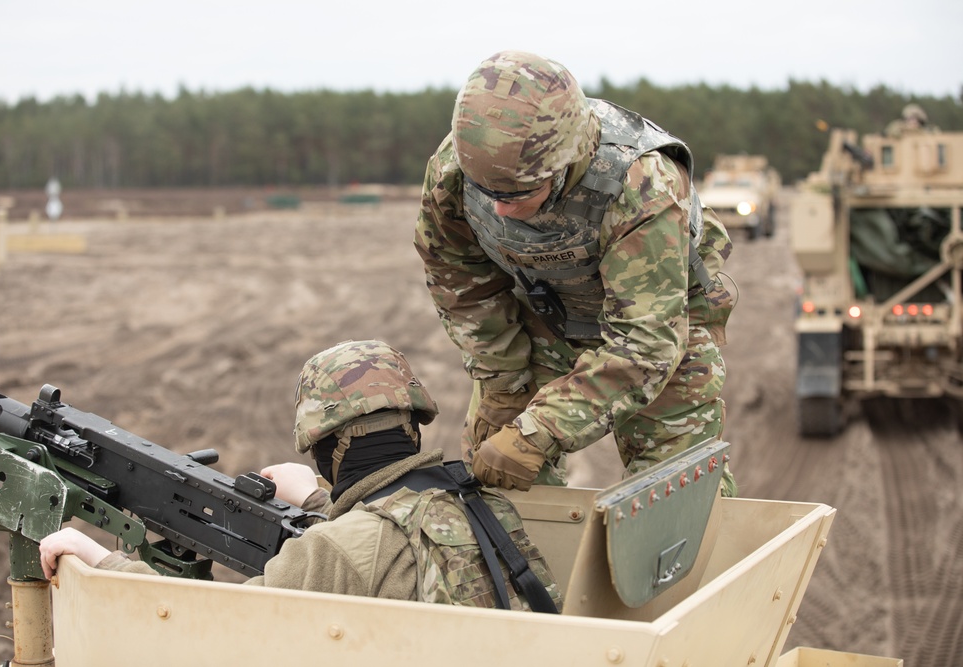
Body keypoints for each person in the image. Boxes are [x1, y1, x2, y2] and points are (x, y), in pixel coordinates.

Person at [39, 339, 563, 612]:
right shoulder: (480, 504)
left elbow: (208, 628)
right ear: (414, 428)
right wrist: (319, 503)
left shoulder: (335, 552)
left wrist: (101, 562)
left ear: (330, 449)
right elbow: (396, 537)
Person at [414, 51, 736, 493]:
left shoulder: (641, 184)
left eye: (520, 193)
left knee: (678, 494)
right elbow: (459, 278)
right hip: (545, 315)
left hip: (661, 325)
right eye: (486, 192)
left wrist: (542, 430)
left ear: (565, 165)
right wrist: (504, 383)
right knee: (494, 473)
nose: (499, 208)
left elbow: (646, 344)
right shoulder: (460, 167)